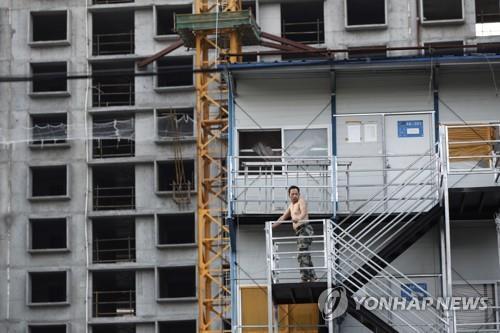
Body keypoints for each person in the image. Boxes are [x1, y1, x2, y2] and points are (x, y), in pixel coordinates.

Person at [273, 185, 317, 282]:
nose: (294, 196)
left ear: (299, 194)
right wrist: (272, 226)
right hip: (298, 232)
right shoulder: (291, 206)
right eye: (292, 194)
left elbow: (304, 212)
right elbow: (283, 217)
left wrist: (298, 218)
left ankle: (305, 278)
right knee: (304, 254)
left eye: (296, 194)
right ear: (289, 195)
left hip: (305, 229)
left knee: (302, 253)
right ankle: (313, 277)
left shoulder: (301, 201)